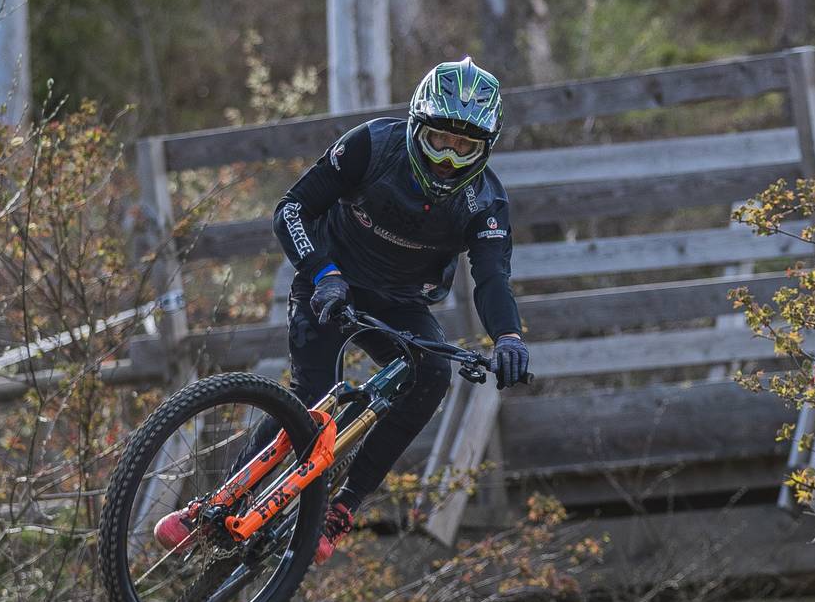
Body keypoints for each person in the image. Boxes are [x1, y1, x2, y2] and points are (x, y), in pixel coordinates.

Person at [155, 58, 532, 560]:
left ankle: (343, 506)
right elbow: (291, 209)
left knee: (433, 373)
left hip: (401, 302)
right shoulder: (371, 146)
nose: (448, 158)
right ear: (417, 126)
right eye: (439, 140)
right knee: (311, 402)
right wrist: (323, 274)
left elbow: (492, 279)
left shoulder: (486, 203)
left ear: (486, 148)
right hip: (331, 281)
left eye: (464, 147)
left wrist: (508, 337)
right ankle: (214, 508)